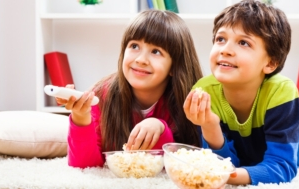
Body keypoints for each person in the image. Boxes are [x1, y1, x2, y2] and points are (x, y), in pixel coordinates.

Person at [183, 0, 299, 185]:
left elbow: (282, 166)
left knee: (292, 150)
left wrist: (227, 177)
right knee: (249, 158)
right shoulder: (204, 91)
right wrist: (210, 125)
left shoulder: (282, 92)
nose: (225, 50)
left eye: (243, 43)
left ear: (270, 63)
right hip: (248, 142)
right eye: (220, 39)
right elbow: (223, 163)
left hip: (296, 130)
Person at [56, 10, 203, 168]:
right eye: (134, 46)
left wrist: (159, 129)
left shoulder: (188, 101)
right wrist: (81, 118)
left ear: (174, 66)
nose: (140, 60)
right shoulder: (101, 95)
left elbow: (178, 166)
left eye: (156, 51)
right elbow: (84, 167)